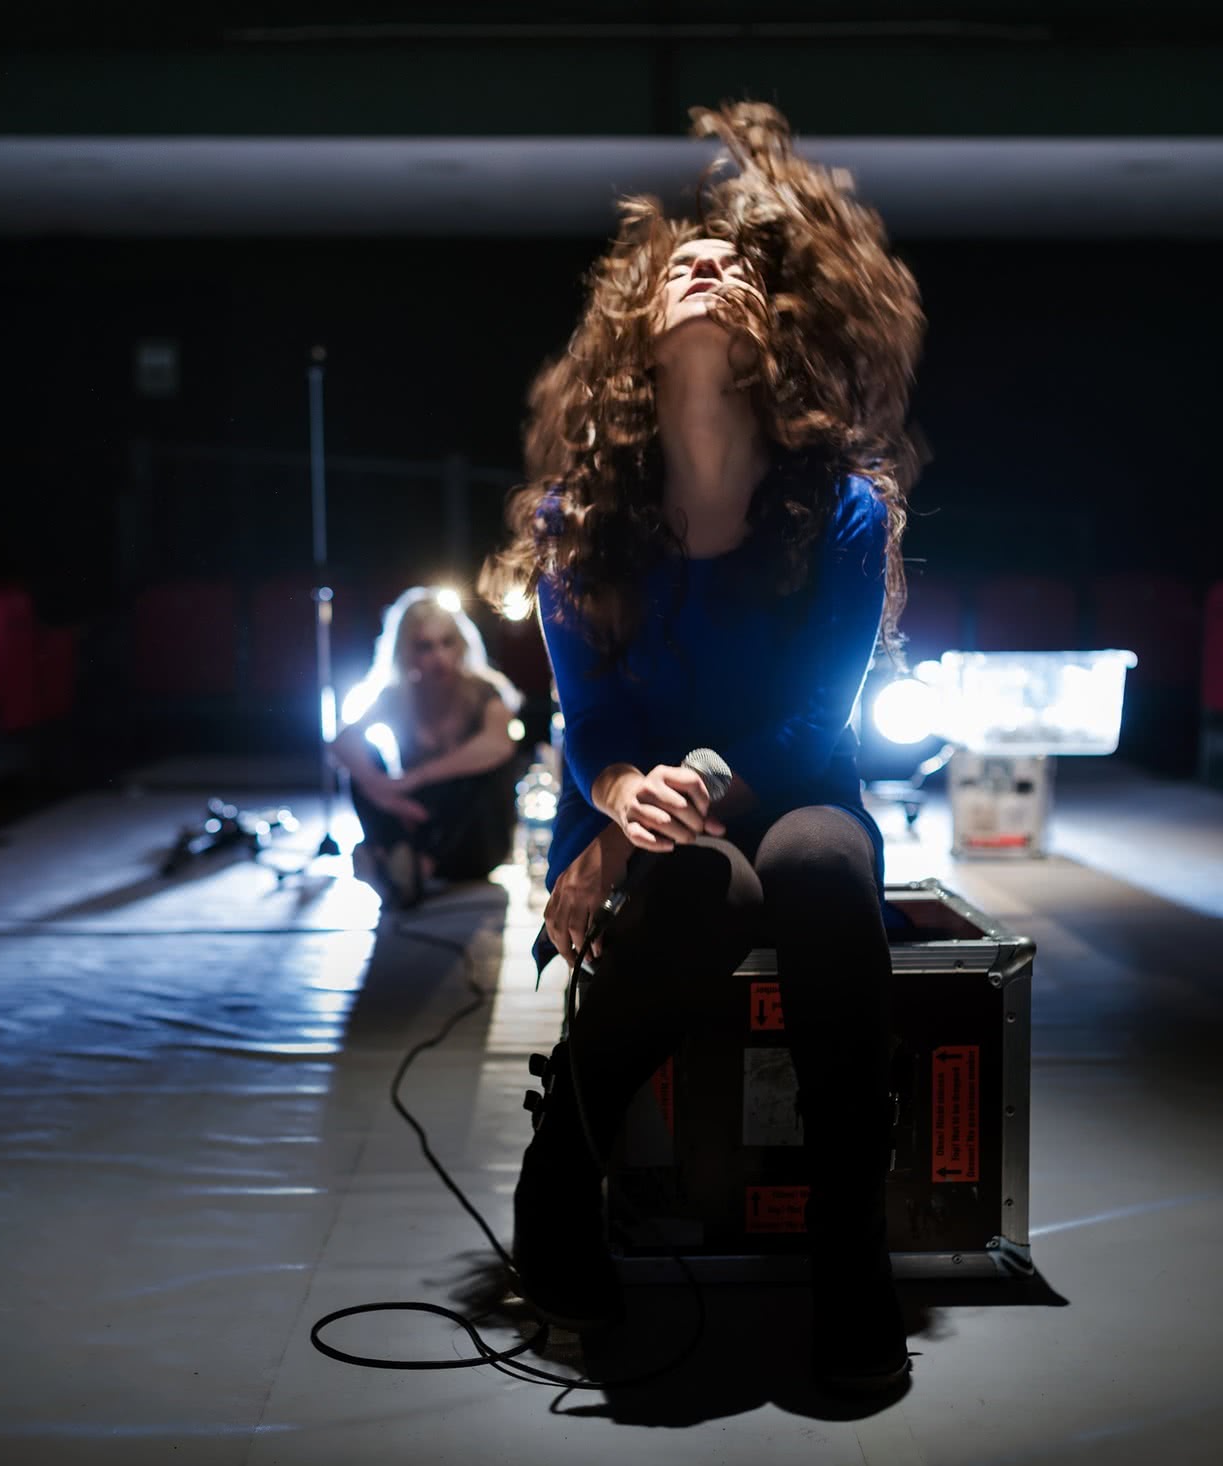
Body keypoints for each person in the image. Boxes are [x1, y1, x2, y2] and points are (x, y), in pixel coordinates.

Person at [479, 102, 927, 1395]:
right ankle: (561, 1170)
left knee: (819, 868)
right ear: (637, 323)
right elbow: (593, 724)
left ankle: (850, 1245)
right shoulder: (580, 520)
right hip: (651, 816)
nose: (710, 269)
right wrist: (624, 799)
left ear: (775, 326)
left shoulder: (841, 508)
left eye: (734, 263)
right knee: (697, 888)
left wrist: (676, 792)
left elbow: (816, 715)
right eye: (686, 262)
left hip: (793, 783)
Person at [330, 586, 522, 910]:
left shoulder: (484, 692)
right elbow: (342, 742)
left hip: (475, 841)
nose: (439, 657)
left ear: (461, 644)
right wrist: (386, 793)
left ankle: (403, 867)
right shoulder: (396, 696)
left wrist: (416, 779)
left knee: (478, 770)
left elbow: (498, 745)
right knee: (363, 764)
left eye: (447, 642)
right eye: (425, 646)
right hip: (419, 821)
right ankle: (397, 861)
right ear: (405, 651)